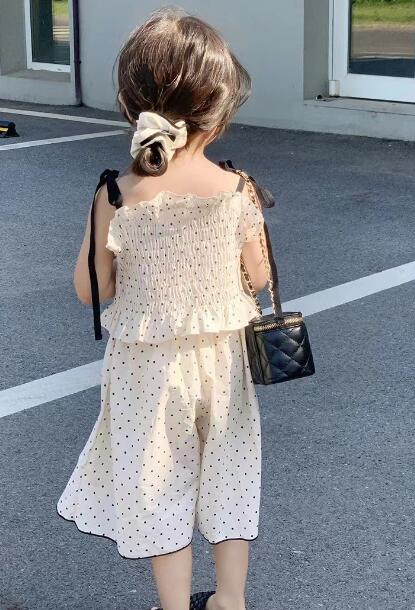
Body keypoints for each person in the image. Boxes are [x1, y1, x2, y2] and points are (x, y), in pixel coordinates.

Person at [56, 6, 270, 610]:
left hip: (145, 370)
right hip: (223, 363)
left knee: (159, 483)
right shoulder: (238, 188)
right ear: (219, 109)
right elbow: (258, 277)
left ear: (133, 104)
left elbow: (90, 289)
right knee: (229, 472)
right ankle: (230, 600)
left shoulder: (117, 193)